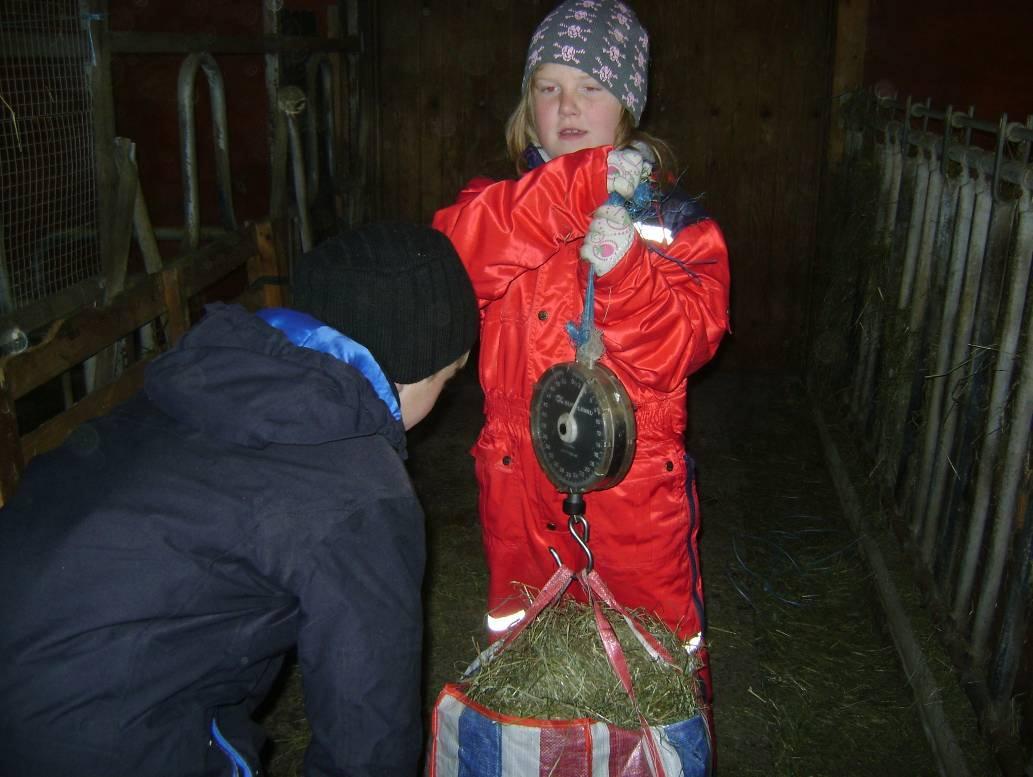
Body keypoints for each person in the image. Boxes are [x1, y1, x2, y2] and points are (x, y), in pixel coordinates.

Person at [0, 223, 478, 777]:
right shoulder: (359, 488)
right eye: (447, 377)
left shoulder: (200, 380)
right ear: (412, 368)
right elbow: (366, 732)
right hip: (95, 733)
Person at [431, 0, 730, 706]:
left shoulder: (673, 224)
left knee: (650, 665)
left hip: (631, 491)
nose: (566, 104)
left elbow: (685, 344)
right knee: (527, 653)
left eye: (590, 87)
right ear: (525, 104)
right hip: (517, 477)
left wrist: (626, 268)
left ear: (626, 101)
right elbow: (453, 268)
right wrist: (574, 188)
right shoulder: (493, 205)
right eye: (548, 87)